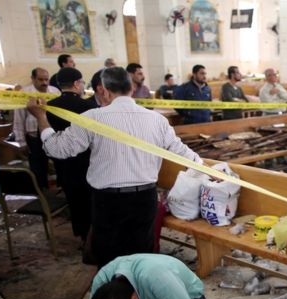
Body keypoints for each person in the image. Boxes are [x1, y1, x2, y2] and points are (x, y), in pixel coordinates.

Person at [29, 67, 202, 267]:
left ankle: (113, 293)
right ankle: (137, 295)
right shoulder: (157, 120)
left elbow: (56, 149)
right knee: (142, 258)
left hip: (108, 201)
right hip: (144, 200)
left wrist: (41, 118)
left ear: (103, 90)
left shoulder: (92, 118)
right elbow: (182, 152)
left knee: (109, 257)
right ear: (132, 89)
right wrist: (206, 168)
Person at [45, 67, 96, 243]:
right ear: (76, 84)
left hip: (63, 162)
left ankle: (81, 234)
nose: (82, 86)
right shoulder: (87, 106)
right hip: (86, 161)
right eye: (82, 83)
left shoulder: (50, 106)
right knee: (90, 201)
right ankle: (92, 237)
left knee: (74, 200)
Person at [12, 68, 60, 189]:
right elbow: (19, 119)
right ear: (32, 79)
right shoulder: (25, 93)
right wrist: (21, 141)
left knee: (60, 164)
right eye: (40, 79)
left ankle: (60, 188)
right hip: (34, 138)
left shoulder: (54, 91)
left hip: (52, 135)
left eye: (46, 79)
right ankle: (41, 192)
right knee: (38, 167)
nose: (44, 82)